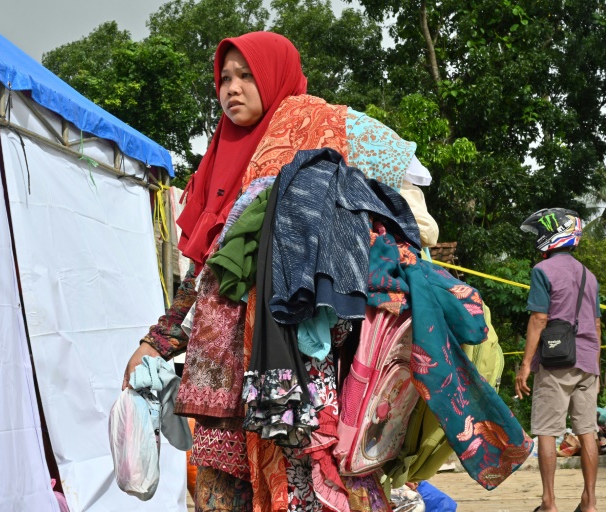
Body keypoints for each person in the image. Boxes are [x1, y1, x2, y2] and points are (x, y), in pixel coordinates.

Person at [122, 32, 528, 511]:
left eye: (246, 75)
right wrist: (156, 342)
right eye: (224, 78)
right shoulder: (217, 163)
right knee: (222, 496)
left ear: (273, 75)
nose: (232, 88)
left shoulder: (317, 122)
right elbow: (206, 275)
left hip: (299, 372)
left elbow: (412, 182)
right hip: (224, 382)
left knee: (309, 492)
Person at [515, 207, 601, 512]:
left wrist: (526, 364)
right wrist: (595, 363)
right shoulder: (590, 276)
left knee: (547, 430)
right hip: (588, 361)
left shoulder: (543, 270)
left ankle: (549, 503)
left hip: (556, 360)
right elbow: (596, 324)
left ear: (552, 235)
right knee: (587, 430)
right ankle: (590, 503)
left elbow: (539, 319)